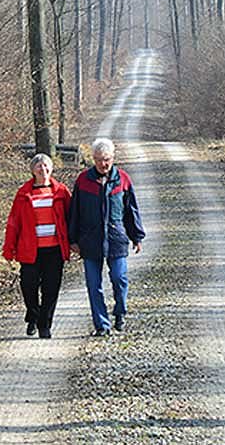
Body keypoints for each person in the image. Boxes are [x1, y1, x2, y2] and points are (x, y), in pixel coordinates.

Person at [68, 138, 145, 336]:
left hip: (116, 238)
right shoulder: (83, 180)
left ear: (113, 158)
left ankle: (120, 312)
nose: (104, 164)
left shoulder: (123, 179)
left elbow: (131, 210)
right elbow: (75, 211)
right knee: (93, 285)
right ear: (93, 159)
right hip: (90, 240)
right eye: (100, 160)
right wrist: (72, 239)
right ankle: (102, 325)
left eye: (107, 159)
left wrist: (136, 236)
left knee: (119, 279)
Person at [3, 153, 72, 339]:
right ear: (32, 170)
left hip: (54, 249)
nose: (43, 169)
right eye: (39, 166)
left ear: (52, 168)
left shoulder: (61, 191)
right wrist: (9, 248)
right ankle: (33, 314)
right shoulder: (23, 193)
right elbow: (14, 222)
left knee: (51, 288)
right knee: (28, 286)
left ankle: (44, 324)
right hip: (29, 248)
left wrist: (75, 242)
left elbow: (71, 218)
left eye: (46, 166)